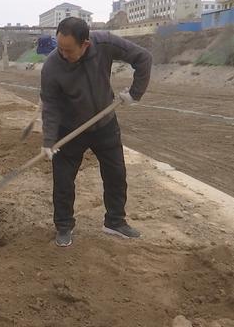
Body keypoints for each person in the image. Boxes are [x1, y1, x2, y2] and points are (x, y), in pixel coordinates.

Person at [40, 17, 152, 247]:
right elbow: (50, 105)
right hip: (69, 129)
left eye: (69, 50)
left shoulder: (104, 44)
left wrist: (134, 94)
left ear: (85, 44)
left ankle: (114, 222)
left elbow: (143, 58)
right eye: (59, 48)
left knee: (116, 174)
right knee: (63, 181)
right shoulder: (52, 66)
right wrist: (49, 140)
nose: (63, 54)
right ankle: (63, 226)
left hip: (104, 123)